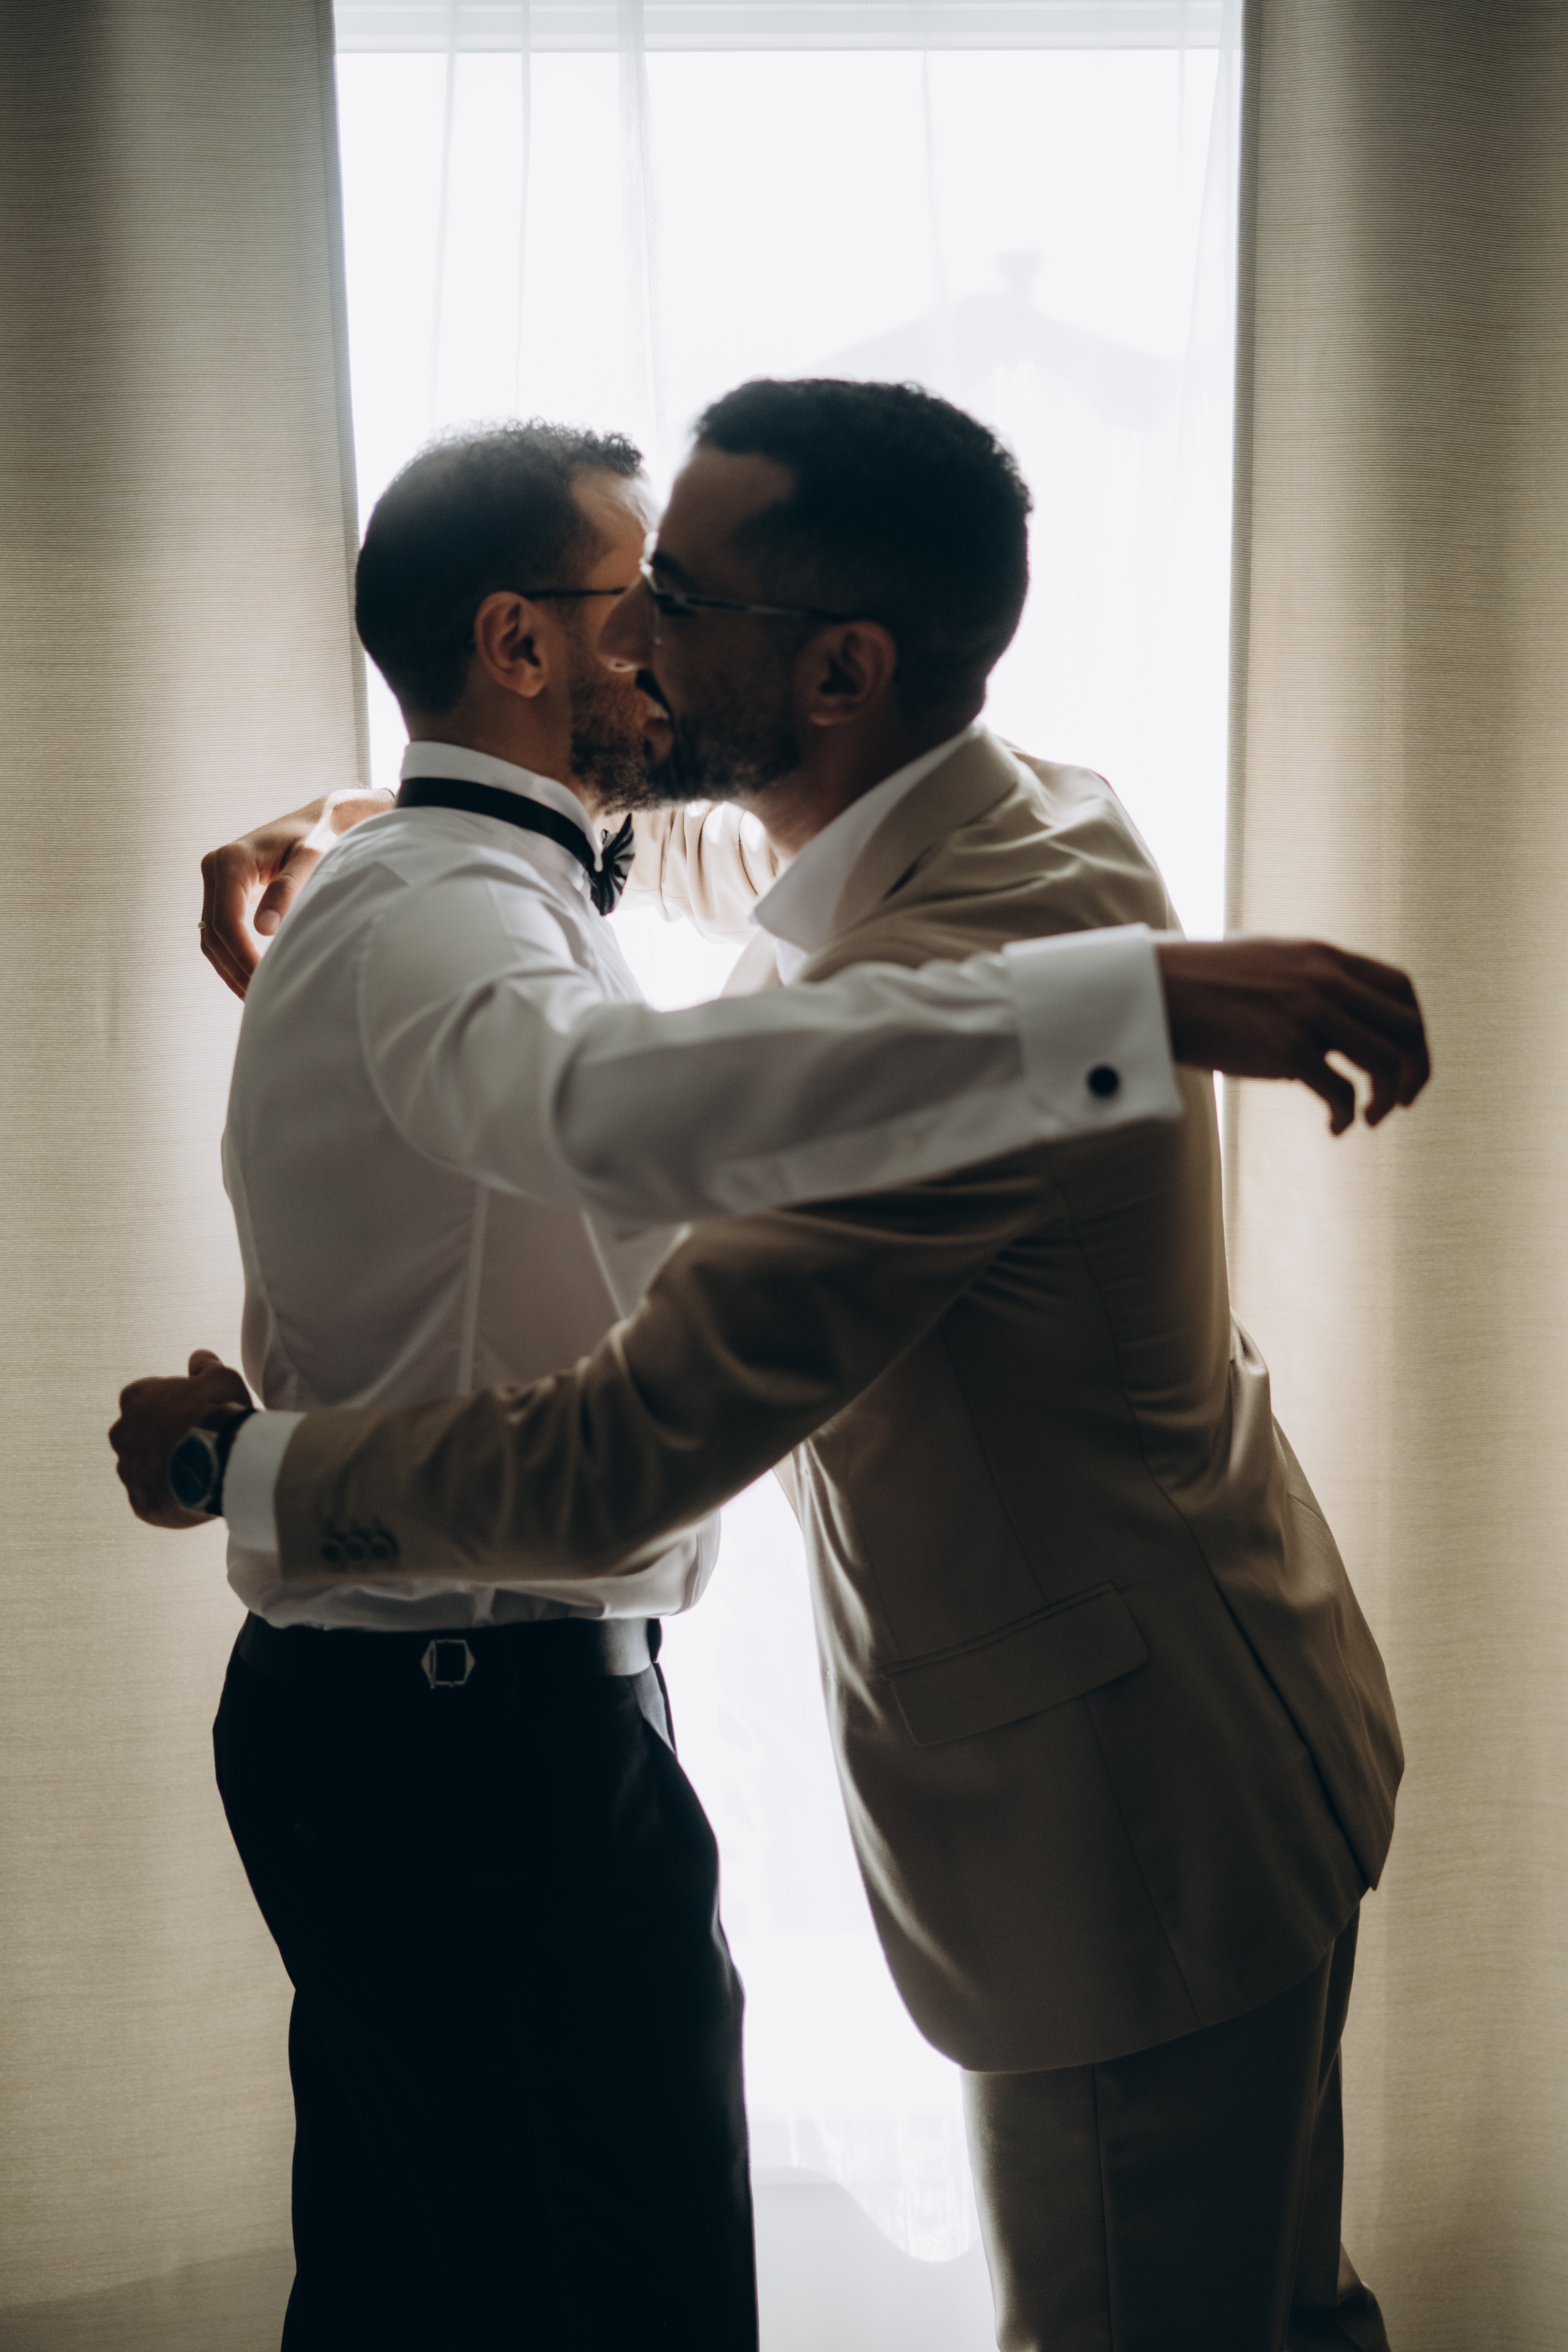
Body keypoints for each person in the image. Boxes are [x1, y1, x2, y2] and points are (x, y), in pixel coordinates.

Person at [116, 380, 1421, 2352]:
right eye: (631, 590)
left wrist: (246, 1471)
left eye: (683, 598)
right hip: (1187, 1736)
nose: (641, 638)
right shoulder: (1014, 816)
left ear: (838, 672)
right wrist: (415, 813)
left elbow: (628, 1438)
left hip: (1137, 1820)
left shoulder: (973, 974)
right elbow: (707, 881)